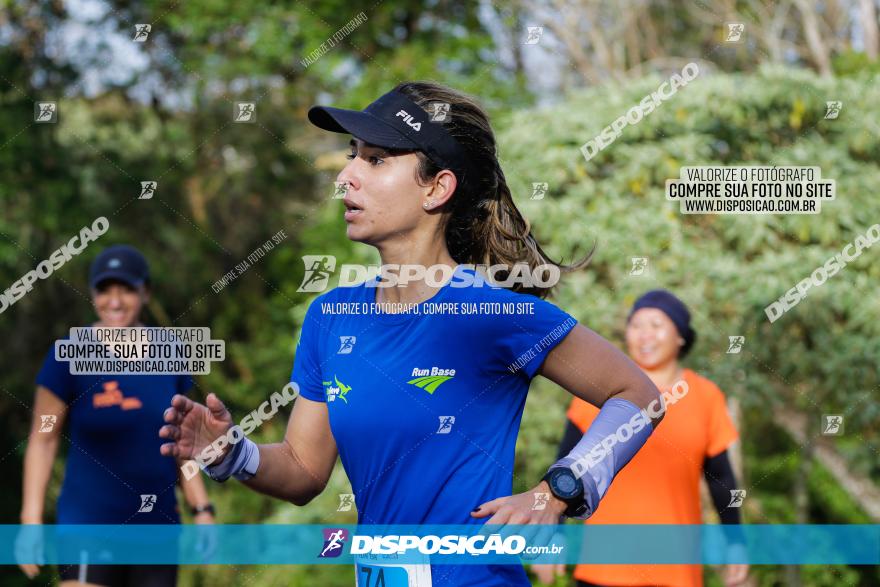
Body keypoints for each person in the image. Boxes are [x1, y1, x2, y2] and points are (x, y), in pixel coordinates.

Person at [158, 81, 665, 586]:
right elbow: (302, 470)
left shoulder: (489, 313)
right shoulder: (330, 318)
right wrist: (230, 452)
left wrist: (558, 489)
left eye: (376, 160)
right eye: (352, 155)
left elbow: (638, 396)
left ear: (437, 188)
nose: (345, 176)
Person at [19, 244, 215, 587]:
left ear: (145, 292)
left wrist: (202, 509)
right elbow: (44, 437)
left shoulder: (170, 352)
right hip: (87, 528)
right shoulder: (70, 355)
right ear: (92, 294)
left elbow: (184, 444)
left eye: (126, 289)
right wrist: (31, 519)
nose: (114, 301)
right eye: (104, 290)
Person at [535, 289, 749, 587]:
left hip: (676, 573)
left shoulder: (706, 396)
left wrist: (735, 542)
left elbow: (721, 479)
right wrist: (552, 537)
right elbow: (564, 471)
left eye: (656, 325)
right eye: (636, 325)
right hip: (603, 570)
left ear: (681, 337)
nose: (643, 334)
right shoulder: (599, 392)